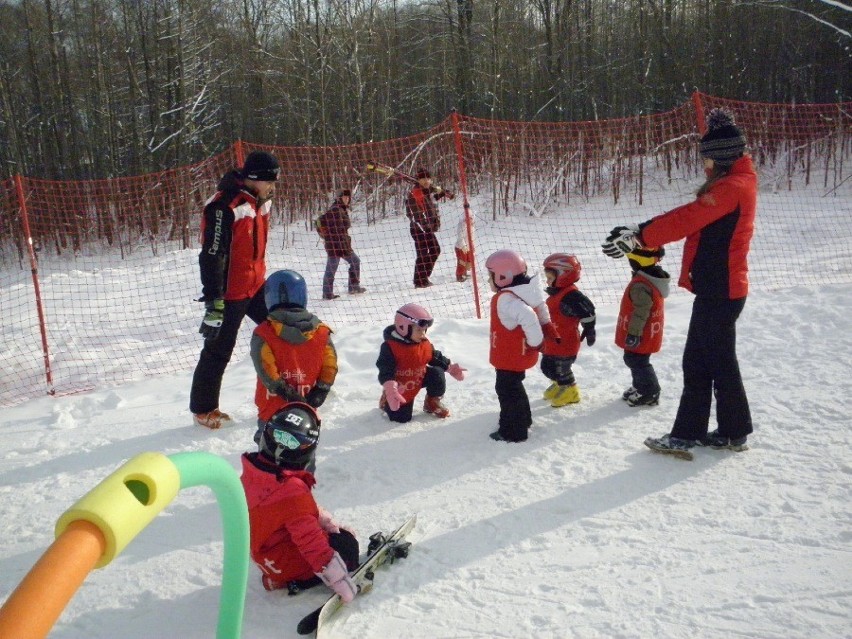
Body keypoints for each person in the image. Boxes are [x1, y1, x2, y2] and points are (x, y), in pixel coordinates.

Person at [602, 108, 756, 457]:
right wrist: (642, 230)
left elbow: (689, 218)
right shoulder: (735, 183)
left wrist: (641, 235)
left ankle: (688, 435)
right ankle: (732, 431)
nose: (704, 166)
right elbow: (692, 213)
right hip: (721, 290)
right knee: (713, 362)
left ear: (720, 159)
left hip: (721, 291)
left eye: (706, 159)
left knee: (704, 363)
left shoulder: (733, 187)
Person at [190, 150, 280, 429]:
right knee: (219, 350)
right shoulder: (224, 207)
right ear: (255, 179)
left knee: (282, 330)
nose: (273, 185)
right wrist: (214, 300)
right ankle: (204, 409)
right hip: (229, 293)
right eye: (270, 180)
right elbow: (212, 255)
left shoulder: (260, 201)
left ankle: (289, 387)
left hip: (255, 286)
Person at [240, 402, 360, 598]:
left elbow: (287, 513)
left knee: (327, 534)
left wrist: (322, 519)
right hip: (286, 564)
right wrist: (341, 582)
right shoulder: (292, 490)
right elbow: (312, 544)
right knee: (347, 544)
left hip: (265, 555)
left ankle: (280, 576)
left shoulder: (252, 473)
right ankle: (293, 580)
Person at [250, 270, 337, 447]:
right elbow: (330, 364)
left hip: (272, 412)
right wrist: (321, 389)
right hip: (305, 414)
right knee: (302, 456)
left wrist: (286, 392)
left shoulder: (264, 333)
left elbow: (266, 369)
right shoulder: (321, 332)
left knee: (269, 460)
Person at [486, 249, 559, 442]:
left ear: (503, 276)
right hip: (517, 354)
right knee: (514, 387)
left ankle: (513, 431)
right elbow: (540, 306)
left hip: (509, 356)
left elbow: (528, 316)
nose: (489, 280)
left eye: (491, 276)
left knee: (507, 391)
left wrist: (537, 341)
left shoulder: (506, 299)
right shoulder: (525, 290)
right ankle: (523, 419)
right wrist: (547, 325)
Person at [377, 303, 466, 423]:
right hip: (400, 388)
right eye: (418, 330)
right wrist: (390, 388)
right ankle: (387, 398)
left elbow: (434, 357)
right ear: (403, 327)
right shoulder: (390, 347)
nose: (423, 334)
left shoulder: (423, 343)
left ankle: (432, 402)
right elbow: (385, 369)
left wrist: (450, 367)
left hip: (418, 378)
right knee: (402, 419)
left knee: (436, 372)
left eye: (424, 330)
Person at [614, 247, 670, 407]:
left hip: (641, 333)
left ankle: (650, 391)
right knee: (634, 359)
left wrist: (634, 333)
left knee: (637, 361)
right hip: (645, 331)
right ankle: (640, 386)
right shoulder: (650, 278)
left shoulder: (641, 285)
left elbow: (641, 311)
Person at [540, 254, 597, 407]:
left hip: (566, 343)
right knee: (547, 367)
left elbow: (588, 311)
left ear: (563, 275)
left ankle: (570, 391)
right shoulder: (557, 293)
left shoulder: (571, 295)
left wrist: (589, 329)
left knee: (561, 369)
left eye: (550, 276)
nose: (547, 280)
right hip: (553, 341)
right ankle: (560, 385)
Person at [406, 168, 450, 288]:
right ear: (418, 180)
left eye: (428, 178)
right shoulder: (415, 193)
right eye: (423, 178)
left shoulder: (426, 192)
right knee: (423, 254)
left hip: (427, 228)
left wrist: (441, 194)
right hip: (419, 229)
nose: (426, 181)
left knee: (435, 250)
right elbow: (412, 212)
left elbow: (429, 202)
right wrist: (423, 225)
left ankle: (423, 276)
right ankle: (419, 280)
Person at [319, 189, 365, 300]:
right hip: (336, 246)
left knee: (355, 261)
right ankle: (327, 293)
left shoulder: (341, 209)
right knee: (332, 269)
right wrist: (340, 246)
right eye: (344, 197)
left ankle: (353, 286)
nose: (347, 199)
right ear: (339, 198)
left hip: (342, 245)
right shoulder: (336, 211)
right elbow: (335, 231)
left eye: (348, 198)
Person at [454, 213, 474, 282]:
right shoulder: (462, 226)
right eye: (468, 218)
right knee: (462, 261)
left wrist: (472, 246)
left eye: (471, 219)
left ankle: (464, 273)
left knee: (469, 261)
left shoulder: (471, 227)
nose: (470, 220)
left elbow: (471, 238)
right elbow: (460, 237)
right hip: (460, 247)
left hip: (468, 247)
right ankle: (459, 275)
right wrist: (463, 246)